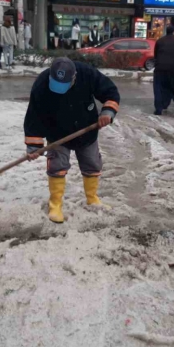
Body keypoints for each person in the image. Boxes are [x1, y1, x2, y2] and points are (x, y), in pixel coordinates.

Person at [24, 58, 121, 223]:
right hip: (57, 134)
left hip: (87, 130)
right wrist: (33, 145)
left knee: (92, 164)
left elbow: (110, 92)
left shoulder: (87, 74)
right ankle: (55, 205)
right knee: (57, 167)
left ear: (74, 77)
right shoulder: (41, 84)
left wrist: (107, 112)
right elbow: (34, 116)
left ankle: (92, 199)